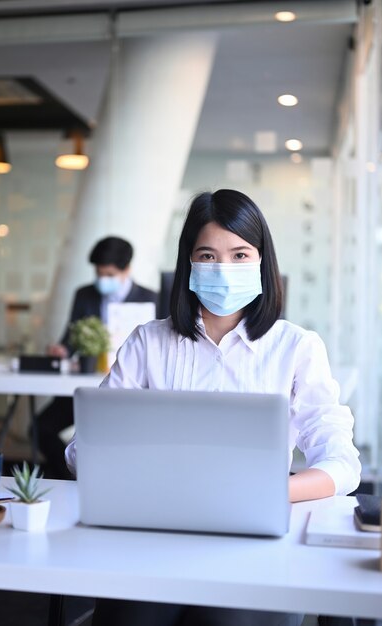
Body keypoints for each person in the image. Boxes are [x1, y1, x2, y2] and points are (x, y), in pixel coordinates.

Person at [65, 190, 361, 626]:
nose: (224, 270)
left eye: (240, 254)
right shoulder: (149, 341)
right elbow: (81, 452)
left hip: (257, 547)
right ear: (188, 263)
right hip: (153, 538)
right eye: (208, 255)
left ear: (262, 262)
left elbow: (342, 463)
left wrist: (268, 493)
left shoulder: (296, 347)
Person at [37, 236, 158, 479]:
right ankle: (74, 478)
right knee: (40, 428)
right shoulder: (84, 295)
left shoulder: (150, 298)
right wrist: (63, 350)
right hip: (86, 384)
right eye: (99, 273)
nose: (103, 279)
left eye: (110, 274)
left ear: (127, 270)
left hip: (127, 390)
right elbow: (70, 339)